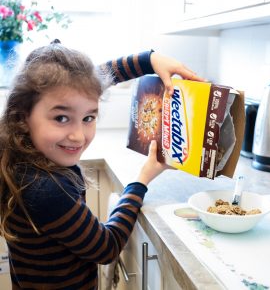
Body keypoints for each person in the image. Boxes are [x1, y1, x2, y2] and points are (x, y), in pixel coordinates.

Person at [0, 41, 204, 289]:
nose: (78, 135)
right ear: (23, 116)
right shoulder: (46, 189)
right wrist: (141, 181)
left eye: (88, 117)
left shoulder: (23, 156)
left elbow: (88, 82)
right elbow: (106, 248)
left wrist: (149, 60)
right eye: (61, 118)